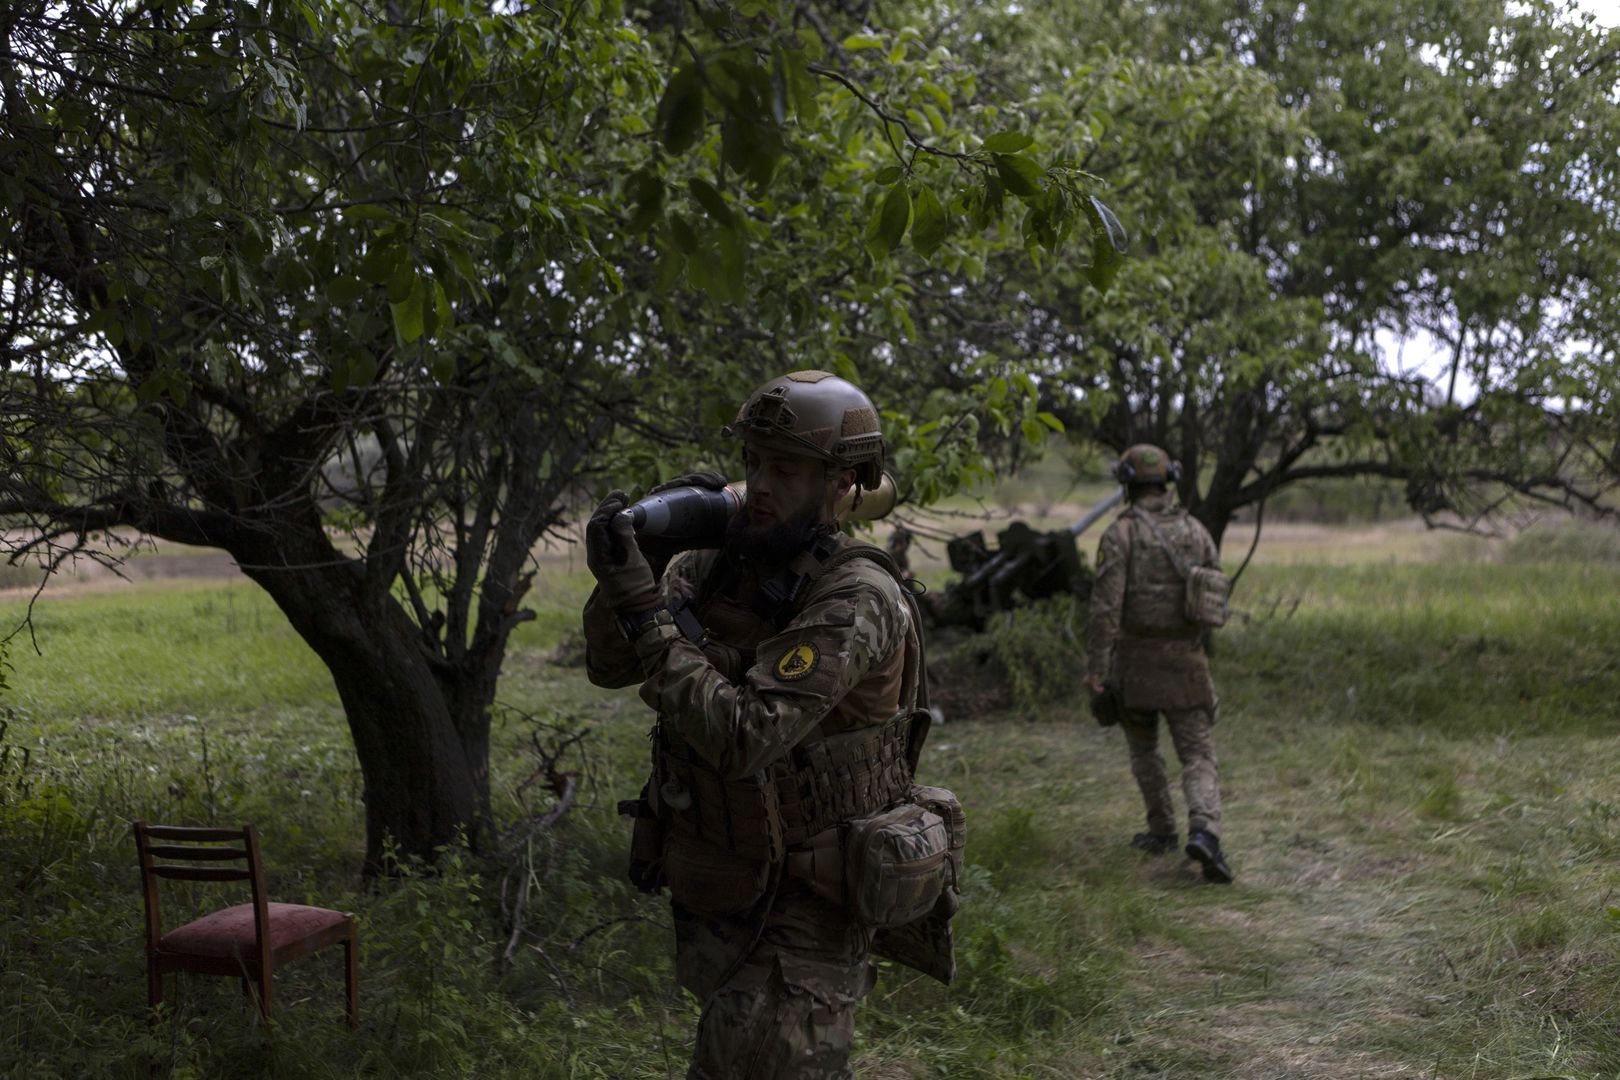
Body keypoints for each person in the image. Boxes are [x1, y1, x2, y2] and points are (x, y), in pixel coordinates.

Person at [581, 370, 956, 1079]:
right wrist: (632, 575)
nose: (759, 485)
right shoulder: (724, 564)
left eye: (785, 468)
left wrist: (648, 616)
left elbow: (747, 735)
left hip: (808, 907)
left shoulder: (855, 594)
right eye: (752, 462)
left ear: (842, 484)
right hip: (727, 880)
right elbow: (608, 665)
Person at [1082, 444, 1234, 884]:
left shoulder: (1120, 534)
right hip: (1187, 663)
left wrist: (1096, 666)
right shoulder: (1196, 530)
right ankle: (1205, 830)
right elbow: (1216, 594)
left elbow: (1104, 608)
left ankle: (1161, 828)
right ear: (1169, 480)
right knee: (1198, 754)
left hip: (1135, 665)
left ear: (1127, 481)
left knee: (1144, 749)